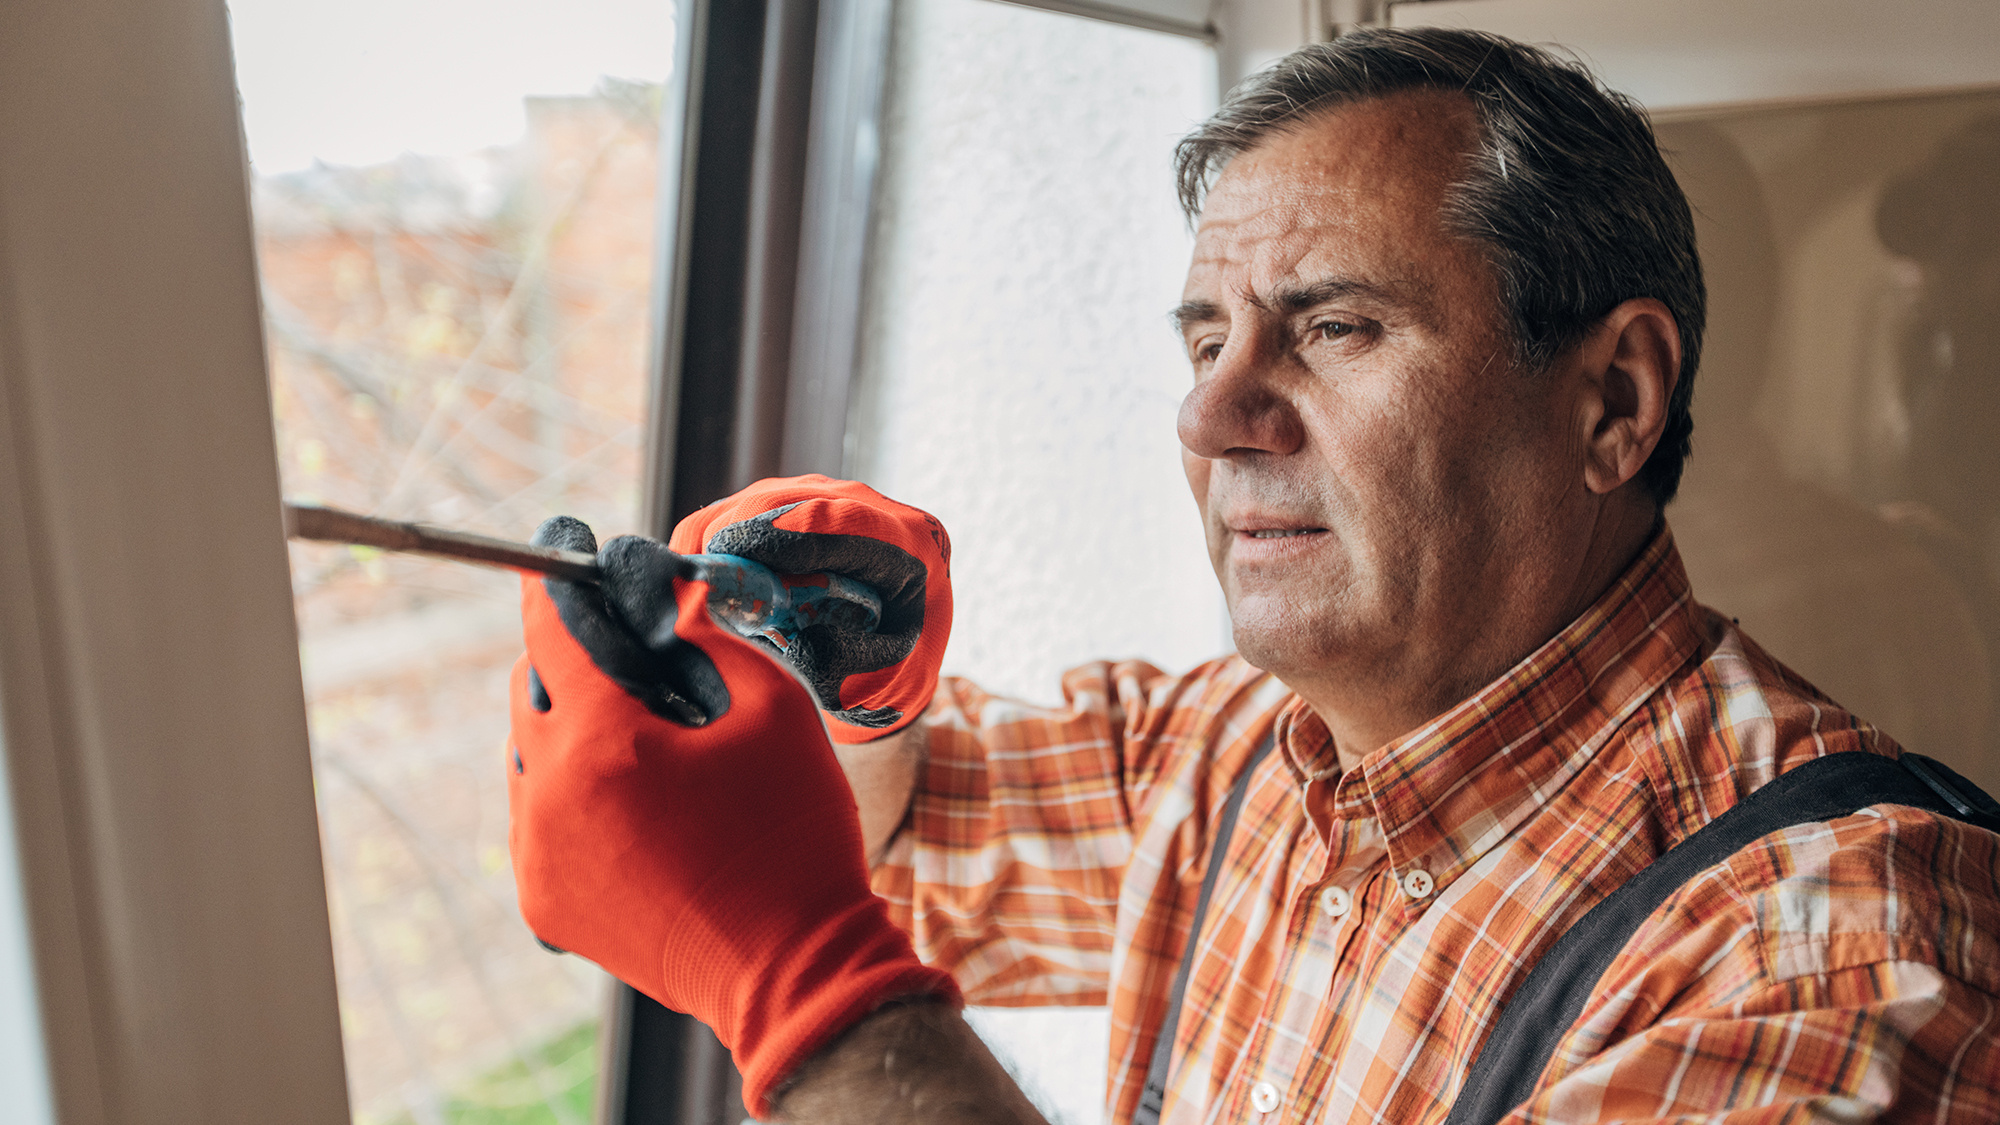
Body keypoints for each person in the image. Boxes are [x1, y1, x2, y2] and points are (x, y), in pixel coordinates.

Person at [504, 28, 2000, 1125]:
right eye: (1205, 338)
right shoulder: (1237, 755)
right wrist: (855, 686)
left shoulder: (1836, 960)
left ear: (1612, 402)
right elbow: (895, 843)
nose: (1211, 417)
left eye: (1336, 326)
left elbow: (812, 916)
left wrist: (807, 995)